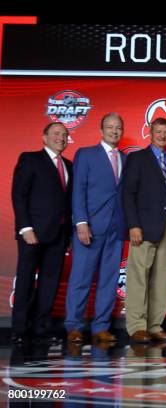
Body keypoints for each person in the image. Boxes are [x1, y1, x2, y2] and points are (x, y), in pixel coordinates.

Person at [65, 113, 127, 344]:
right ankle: (74, 326)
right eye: (110, 127)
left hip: (116, 229)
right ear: (101, 130)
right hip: (90, 227)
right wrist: (81, 222)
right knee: (81, 278)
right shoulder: (86, 154)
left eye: (118, 128)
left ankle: (101, 326)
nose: (114, 131)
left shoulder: (125, 159)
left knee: (109, 280)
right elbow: (78, 190)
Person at [122, 117, 166, 343]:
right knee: (138, 276)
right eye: (158, 131)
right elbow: (128, 193)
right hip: (144, 226)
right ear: (150, 132)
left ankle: (155, 325)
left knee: (163, 278)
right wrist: (133, 225)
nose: (162, 135)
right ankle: (137, 326)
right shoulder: (137, 158)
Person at [11, 122, 72, 344]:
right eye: (56, 134)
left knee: (49, 283)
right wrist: (25, 228)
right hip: (32, 233)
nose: (61, 138)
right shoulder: (30, 159)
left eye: (65, 135)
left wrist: (69, 235)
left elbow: (68, 203)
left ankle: (40, 328)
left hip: (59, 235)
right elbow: (19, 195)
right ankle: (19, 328)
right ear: (44, 137)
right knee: (26, 279)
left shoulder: (69, 165)